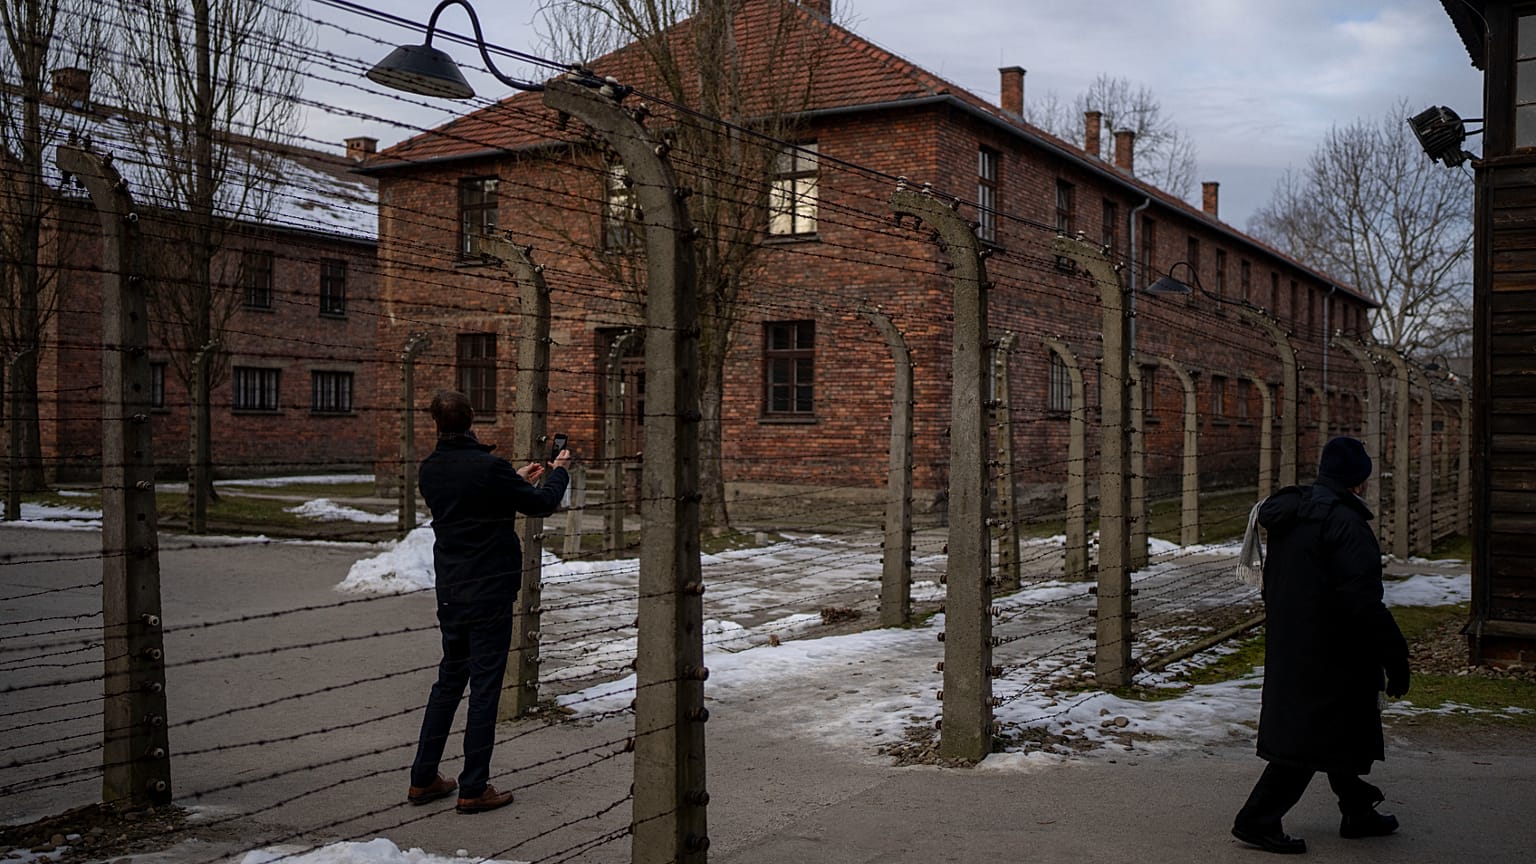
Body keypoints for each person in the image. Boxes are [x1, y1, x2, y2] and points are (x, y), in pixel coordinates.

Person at [1231, 436, 1411, 854]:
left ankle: (1357, 808)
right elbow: (1363, 601)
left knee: (1337, 726)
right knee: (1310, 736)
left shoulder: (1294, 516)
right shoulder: (1347, 525)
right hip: (1333, 647)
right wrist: (1395, 657)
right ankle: (1257, 819)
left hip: (1294, 639)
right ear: (1360, 481)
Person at [405, 389, 571, 814]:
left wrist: (511, 479)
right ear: (473, 419)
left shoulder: (431, 469)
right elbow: (542, 505)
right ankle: (473, 786)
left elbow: (471, 501)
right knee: (484, 686)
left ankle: (424, 777)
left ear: (435, 423)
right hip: (491, 590)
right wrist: (559, 472)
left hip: (452, 590)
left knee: (448, 680)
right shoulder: (487, 468)